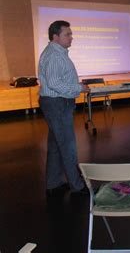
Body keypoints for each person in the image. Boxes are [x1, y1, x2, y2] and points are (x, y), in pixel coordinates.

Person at [38, 20, 89, 196]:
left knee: (55, 146)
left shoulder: (58, 53)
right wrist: (78, 88)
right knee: (67, 146)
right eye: (67, 34)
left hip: (56, 104)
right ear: (55, 36)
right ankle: (77, 185)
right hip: (57, 104)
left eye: (71, 34)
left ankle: (54, 183)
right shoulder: (53, 55)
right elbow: (53, 83)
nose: (71, 37)